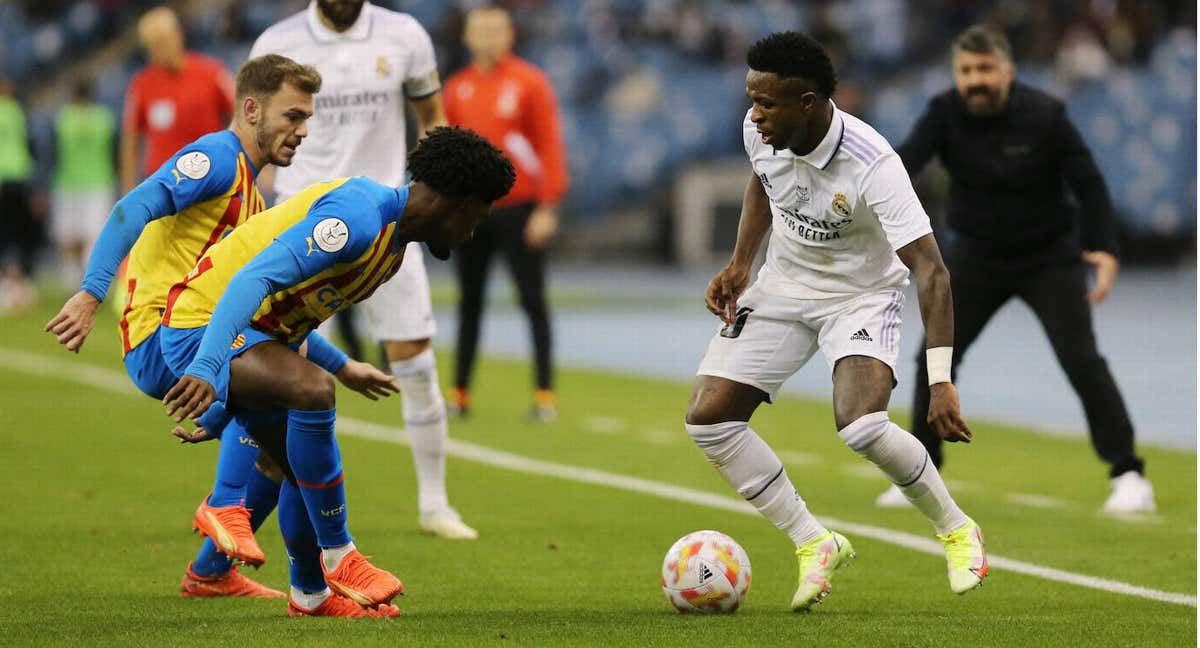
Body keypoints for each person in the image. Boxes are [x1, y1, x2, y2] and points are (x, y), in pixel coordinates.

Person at [684, 32, 987, 611]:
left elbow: (932, 271)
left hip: (861, 297)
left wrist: (942, 380)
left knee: (861, 426)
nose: (753, 114)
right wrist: (741, 263)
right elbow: (762, 179)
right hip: (783, 286)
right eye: (751, 99)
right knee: (709, 420)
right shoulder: (761, 131)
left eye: (766, 103)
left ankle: (955, 530)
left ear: (808, 102)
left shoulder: (874, 165)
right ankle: (814, 542)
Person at [160, 126, 515, 618]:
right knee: (311, 390)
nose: (472, 231)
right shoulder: (358, 221)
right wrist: (208, 366)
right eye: (476, 215)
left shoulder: (390, 247)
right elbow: (254, 278)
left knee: (288, 462)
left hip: (247, 334)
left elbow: (287, 321)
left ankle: (305, 595)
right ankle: (339, 555)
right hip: (200, 323)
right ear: (452, 203)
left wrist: (335, 368)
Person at [45, 54, 343, 600]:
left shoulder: (253, 195)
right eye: (292, 115)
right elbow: (130, 210)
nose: (302, 131)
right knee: (297, 413)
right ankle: (261, 536)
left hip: (201, 335)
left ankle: (211, 572)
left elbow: (265, 317)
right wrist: (91, 292)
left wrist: (343, 364)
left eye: (306, 119)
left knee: (288, 443)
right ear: (251, 108)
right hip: (164, 336)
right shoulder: (215, 159)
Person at [876, 25, 1154, 514]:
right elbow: (899, 168)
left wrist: (1105, 248)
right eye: (966, 71)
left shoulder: (1046, 115)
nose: (976, 79)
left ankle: (1129, 474)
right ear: (956, 75)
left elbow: (1088, 183)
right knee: (935, 359)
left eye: (985, 69)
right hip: (976, 256)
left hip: (1048, 258)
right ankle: (922, 474)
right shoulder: (944, 114)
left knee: (1081, 360)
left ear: (1007, 72)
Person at [249, 0, 478, 540]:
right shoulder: (276, 43)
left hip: (389, 222)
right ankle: (239, 512)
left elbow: (430, 117)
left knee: (415, 361)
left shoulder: (404, 35)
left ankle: (434, 504)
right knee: (281, 373)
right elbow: (253, 138)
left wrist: (436, 191)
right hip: (302, 228)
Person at [443, 5, 569, 422]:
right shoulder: (457, 88)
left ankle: (544, 394)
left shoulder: (530, 82)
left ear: (509, 34)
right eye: (481, 30)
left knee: (532, 301)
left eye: (497, 29)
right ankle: (459, 392)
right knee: (469, 302)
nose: (489, 37)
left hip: (520, 208)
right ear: (468, 37)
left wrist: (548, 206)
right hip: (472, 212)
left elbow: (549, 144)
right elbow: (448, 151)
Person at [121, 6, 234, 193]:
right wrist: (128, 187)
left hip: (211, 180)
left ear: (178, 35)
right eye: (152, 45)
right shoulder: (141, 85)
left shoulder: (212, 73)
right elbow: (131, 140)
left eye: (162, 41)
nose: (158, 50)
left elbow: (239, 115)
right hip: (163, 188)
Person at [51, 79, 116, 290]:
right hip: (99, 181)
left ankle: (73, 281)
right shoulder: (104, 118)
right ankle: (91, 284)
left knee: (70, 235)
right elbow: (115, 150)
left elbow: (52, 153)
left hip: (67, 182)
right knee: (94, 236)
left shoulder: (63, 118)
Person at [0, 77, 39, 312]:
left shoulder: (13, 110)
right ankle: (19, 281)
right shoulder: (17, 111)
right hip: (20, 178)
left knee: (6, 233)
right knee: (20, 233)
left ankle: (9, 281)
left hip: (7, 178)